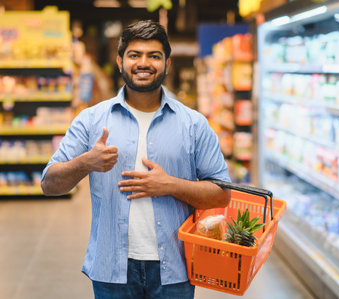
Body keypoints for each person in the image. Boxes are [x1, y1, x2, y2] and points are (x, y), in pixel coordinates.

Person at [41, 20, 231, 299]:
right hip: (111, 270)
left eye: (154, 56)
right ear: (120, 62)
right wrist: (85, 163)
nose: (144, 63)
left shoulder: (194, 125)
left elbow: (222, 193)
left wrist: (169, 185)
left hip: (175, 269)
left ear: (167, 63)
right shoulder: (92, 120)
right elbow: (49, 185)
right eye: (134, 55)